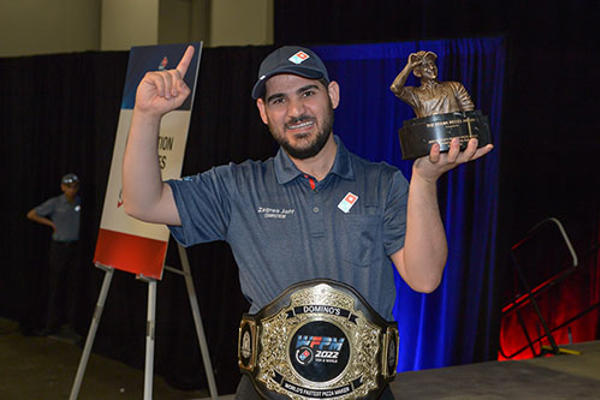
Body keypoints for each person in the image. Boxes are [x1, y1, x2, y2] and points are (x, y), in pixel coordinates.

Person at [122, 45, 493, 398]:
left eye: (308, 93)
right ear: (263, 111)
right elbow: (144, 202)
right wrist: (146, 115)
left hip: (364, 392)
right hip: (266, 392)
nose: (296, 110)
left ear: (332, 94)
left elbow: (425, 278)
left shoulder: (383, 184)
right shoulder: (237, 186)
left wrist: (425, 181)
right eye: (279, 100)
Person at [27, 173, 81, 336]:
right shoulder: (56, 203)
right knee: (56, 286)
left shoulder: (79, 202)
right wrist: (50, 223)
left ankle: (71, 324)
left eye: (74, 186)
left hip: (74, 247)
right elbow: (32, 214)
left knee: (73, 287)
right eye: (68, 186)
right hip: (59, 248)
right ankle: (51, 324)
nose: (72, 190)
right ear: (63, 187)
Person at [390, 50, 475, 118]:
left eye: (432, 64)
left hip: (456, 136)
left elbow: (469, 112)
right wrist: (409, 67)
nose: (431, 68)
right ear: (418, 73)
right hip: (430, 137)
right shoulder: (414, 94)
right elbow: (395, 88)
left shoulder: (455, 86)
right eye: (426, 66)